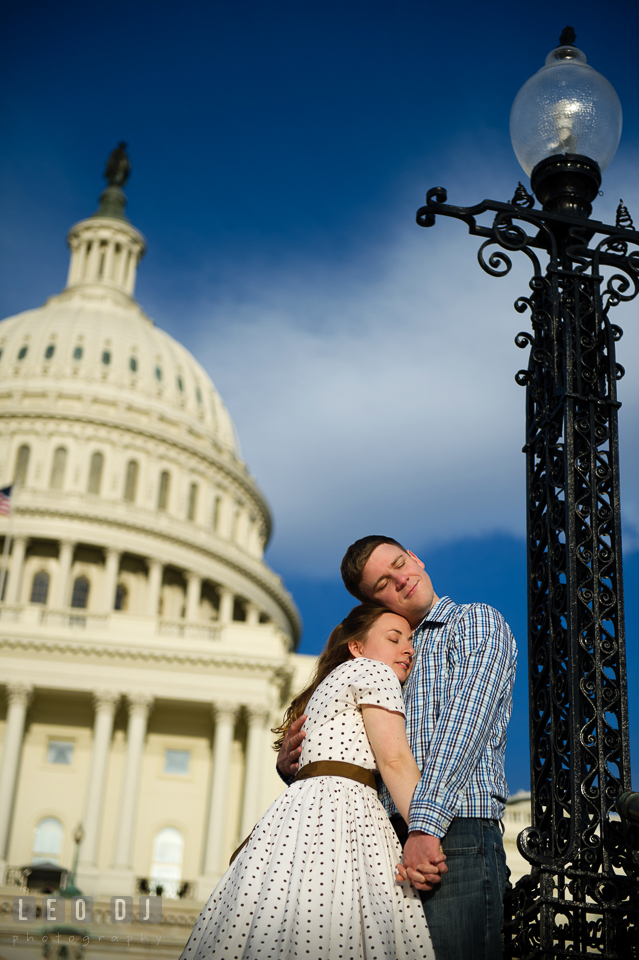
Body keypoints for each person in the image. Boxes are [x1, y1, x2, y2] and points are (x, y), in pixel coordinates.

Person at [278, 536, 517, 960]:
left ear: (417, 558)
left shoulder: (473, 622)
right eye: (384, 583)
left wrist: (424, 828)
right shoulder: (384, 659)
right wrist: (296, 763)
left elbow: (464, 727)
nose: (402, 580)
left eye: (401, 564)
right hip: (382, 843)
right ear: (375, 603)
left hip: (453, 833)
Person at [178, 603, 438, 960]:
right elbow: (394, 760)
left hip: (296, 820)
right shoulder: (374, 673)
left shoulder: (325, 688)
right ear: (357, 647)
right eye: (394, 638)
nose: (408, 648)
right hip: (347, 813)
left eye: (411, 641)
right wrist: (426, 831)